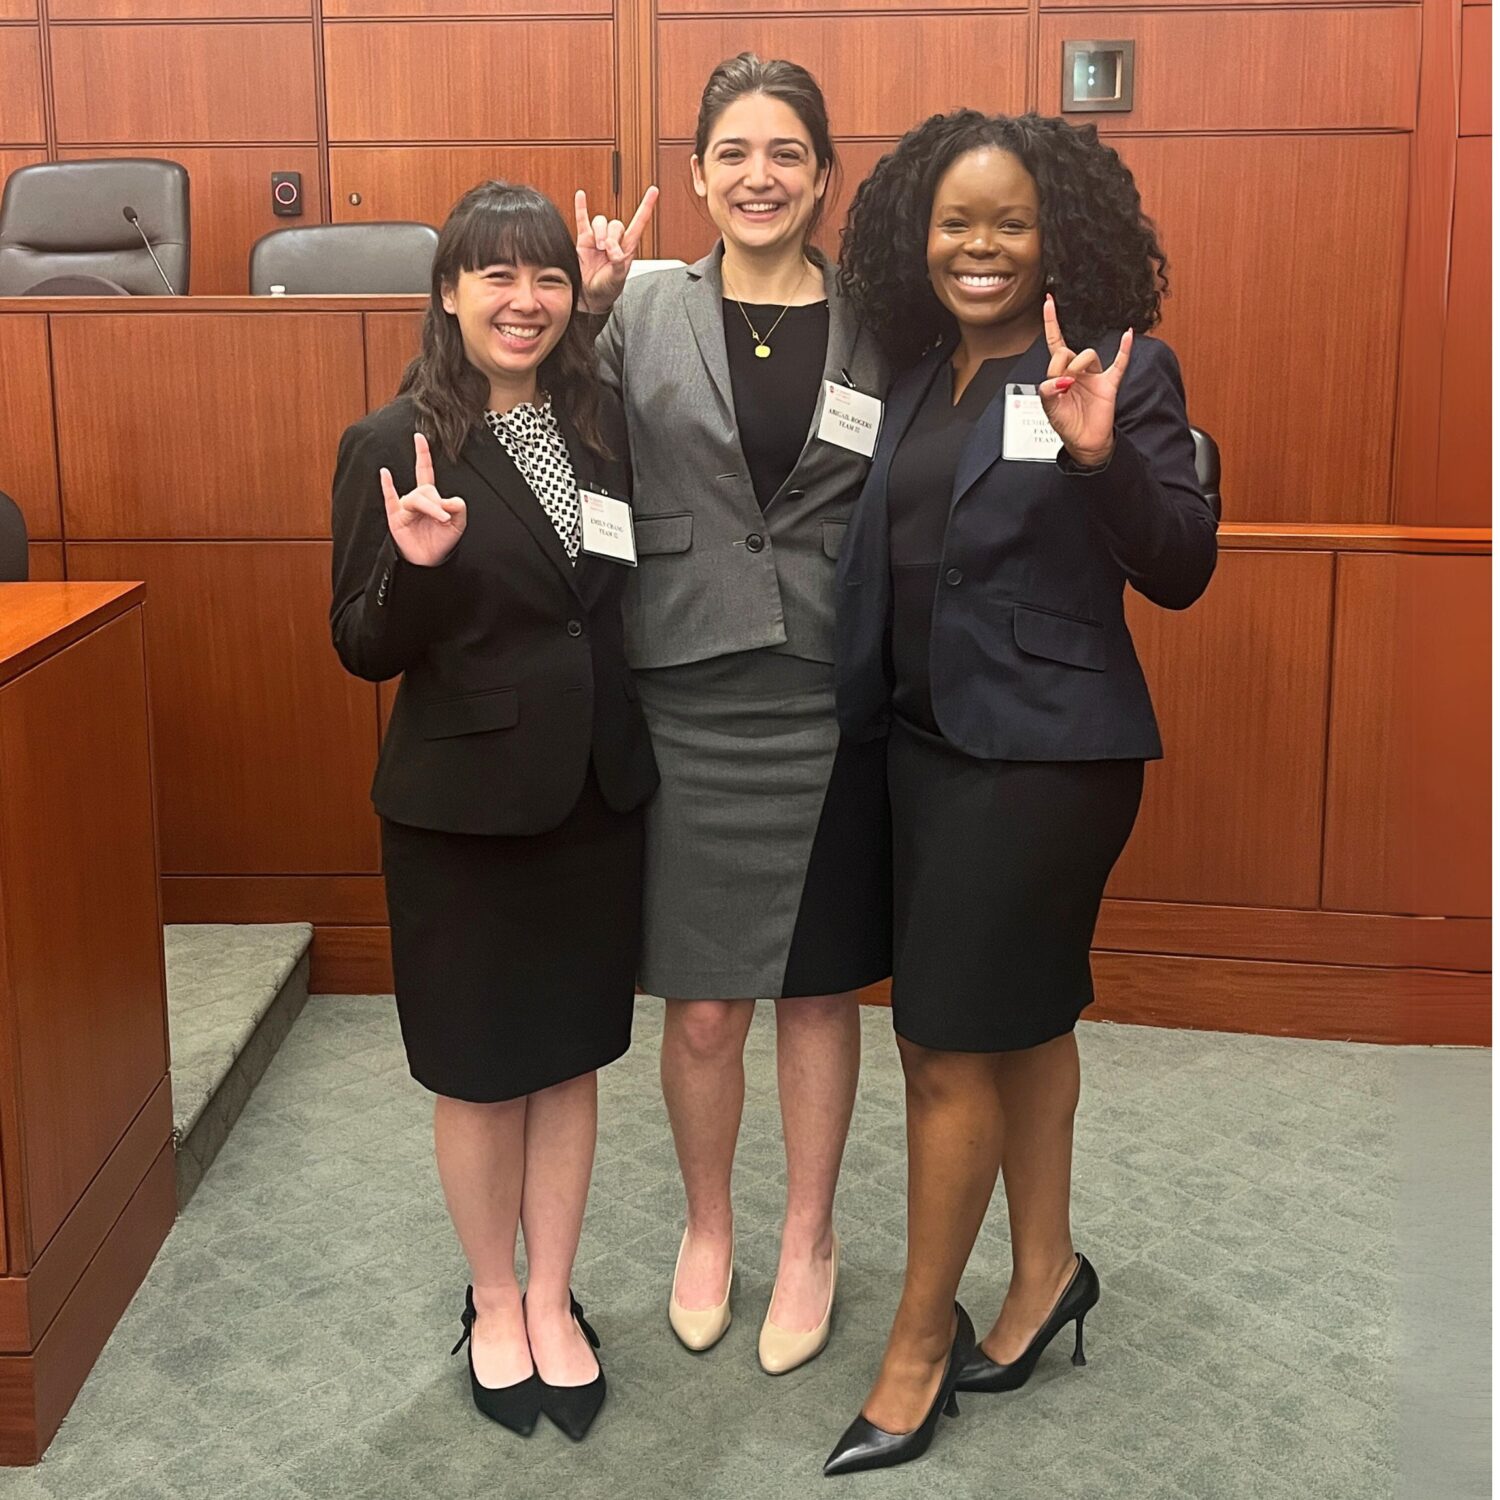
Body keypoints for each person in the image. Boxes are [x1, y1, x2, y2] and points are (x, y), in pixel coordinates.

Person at [822, 111, 1218, 1475]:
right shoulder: (915, 373)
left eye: (1009, 223)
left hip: (1043, 761)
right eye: (954, 223)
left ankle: (915, 1347)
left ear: (1061, 235)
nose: (978, 247)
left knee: (943, 1051)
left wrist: (1102, 455)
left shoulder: (1118, 369)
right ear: (913, 239)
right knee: (1028, 1022)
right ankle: (1044, 1275)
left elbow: (1180, 563)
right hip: (922, 753)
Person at [573, 53, 891, 1375]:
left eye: (787, 154)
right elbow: (558, 445)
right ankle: (709, 1229)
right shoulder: (639, 311)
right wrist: (588, 307)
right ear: (698, 172)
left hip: (828, 694)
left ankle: (808, 1235)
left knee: (818, 996)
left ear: (824, 175)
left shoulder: (883, 318)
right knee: (702, 1007)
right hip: (688, 692)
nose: (759, 176)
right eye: (734, 153)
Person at [328, 181, 658, 1443]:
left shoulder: (599, 425)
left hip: (594, 796)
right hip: (461, 816)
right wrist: (411, 574)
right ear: (449, 293)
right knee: (477, 1075)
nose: (524, 302)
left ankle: (558, 1297)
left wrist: (614, 294)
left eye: (547, 279)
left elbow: (603, 599)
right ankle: (494, 1297)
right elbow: (359, 644)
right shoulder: (393, 440)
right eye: (496, 278)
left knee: (571, 1061)